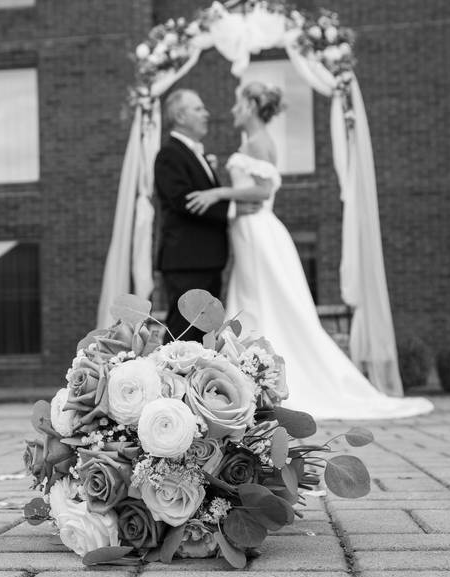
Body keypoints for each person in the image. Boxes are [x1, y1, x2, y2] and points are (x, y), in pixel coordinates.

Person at [185, 82, 433, 420]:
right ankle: (250, 377)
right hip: (246, 233)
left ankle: (268, 378)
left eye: (238, 104)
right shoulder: (249, 143)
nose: (232, 111)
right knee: (250, 301)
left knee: (266, 302)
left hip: (259, 234)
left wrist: (218, 194)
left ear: (253, 107)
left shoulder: (259, 142)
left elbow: (262, 190)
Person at [154, 89, 232, 343]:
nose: (206, 114)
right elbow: (184, 201)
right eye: (198, 109)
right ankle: (170, 382)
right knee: (183, 335)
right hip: (187, 261)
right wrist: (232, 210)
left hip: (206, 260)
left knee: (203, 338)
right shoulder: (169, 154)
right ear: (180, 116)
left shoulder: (196, 153)